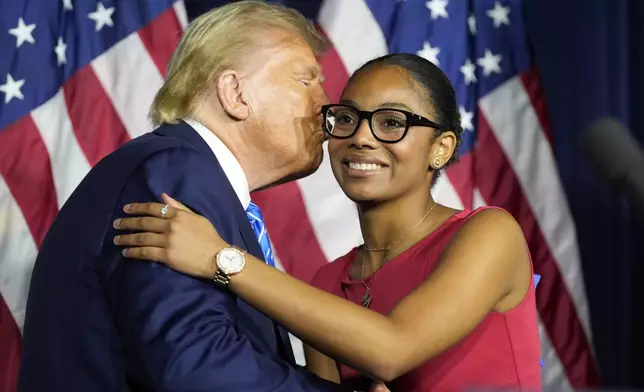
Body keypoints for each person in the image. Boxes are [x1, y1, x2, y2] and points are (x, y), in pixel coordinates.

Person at [112, 53, 543, 391]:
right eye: (348, 119)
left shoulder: (489, 233)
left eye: (392, 122)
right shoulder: (327, 281)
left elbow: (391, 349)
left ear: (441, 149)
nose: (361, 136)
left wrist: (220, 258)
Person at [18, 2, 387, 391]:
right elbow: (195, 365)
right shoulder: (174, 172)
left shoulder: (191, 177)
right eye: (305, 81)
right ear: (235, 93)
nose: (325, 104)